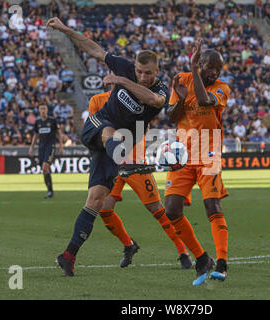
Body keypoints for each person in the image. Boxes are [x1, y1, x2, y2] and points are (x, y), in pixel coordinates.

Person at [45, 17, 170, 277]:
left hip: (119, 145)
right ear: (134, 66)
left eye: (148, 73)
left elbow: (154, 100)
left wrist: (122, 81)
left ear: (157, 72)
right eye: (139, 71)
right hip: (98, 126)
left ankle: (68, 256)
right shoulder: (124, 66)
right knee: (109, 132)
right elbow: (92, 47)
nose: (144, 77)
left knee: (96, 200)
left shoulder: (160, 88)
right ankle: (125, 165)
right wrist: (64, 29)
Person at [88, 91, 192, 269]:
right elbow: (95, 130)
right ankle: (129, 245)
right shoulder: (97, 100)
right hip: (112, 164)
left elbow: (143, 124)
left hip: (136, 164)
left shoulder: (137, 96)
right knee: (104, 210)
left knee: (157, 210)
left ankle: (183, 252)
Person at [165, 39, 230, 286]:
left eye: (218, 68)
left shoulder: (223, 88)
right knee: (171, 210)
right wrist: (180, 99)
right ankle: (202, 258)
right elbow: (171, 117)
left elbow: (204, 101)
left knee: (212, 206)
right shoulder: (180, 81)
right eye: (209, 66)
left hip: (209, 153)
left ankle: (222, 263)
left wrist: (195, 70)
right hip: (183, 154)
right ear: (201, 62)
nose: (214, 72)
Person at [29, 104, 64, 198]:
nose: (43, 110)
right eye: (41, 108)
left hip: (50, 146)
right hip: (41, 148)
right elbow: (35, 135)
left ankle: (50, 192)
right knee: (44, 170)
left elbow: (59, 134)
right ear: (39, 110)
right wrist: (31, 147)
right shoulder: (38, 122)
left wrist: (61, 146)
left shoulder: (52, 121)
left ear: (47, 110)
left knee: (45, 167)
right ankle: (50, 191)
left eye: (44, 108)